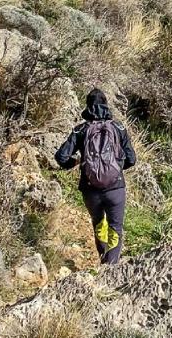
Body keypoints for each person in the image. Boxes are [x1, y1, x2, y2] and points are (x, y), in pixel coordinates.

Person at [55, 89, 136, 265]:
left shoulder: (80, 130)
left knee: (99, 224)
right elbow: (132, 159)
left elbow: (61, 157)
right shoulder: (118, 128)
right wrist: (116, 170)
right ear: (106, 104)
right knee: (115, 229)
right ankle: (110, 267)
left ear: (88, 105)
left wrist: (76, 163)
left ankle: (102, 258)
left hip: (90, 190)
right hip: (115, 188)